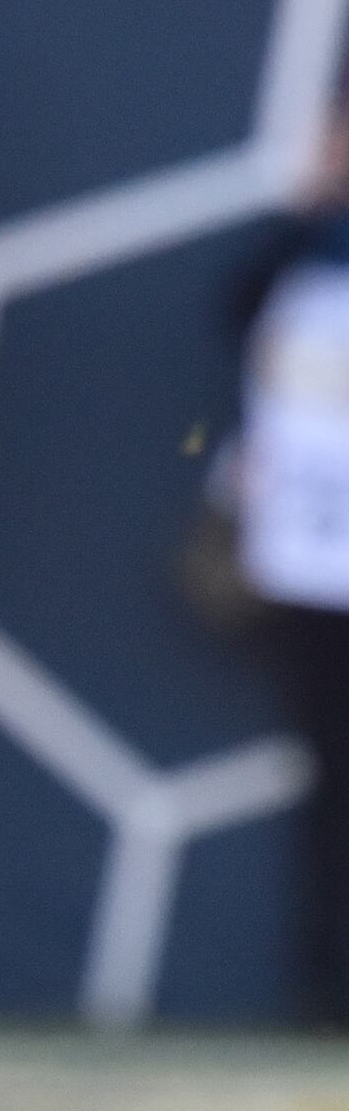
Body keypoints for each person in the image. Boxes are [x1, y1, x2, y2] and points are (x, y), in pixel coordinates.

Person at [230, 95, 349, 1027]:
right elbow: (229, 305)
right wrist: (318, 199)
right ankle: (320, 987)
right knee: (328, 784)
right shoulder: (299, 260)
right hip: (310, 562)